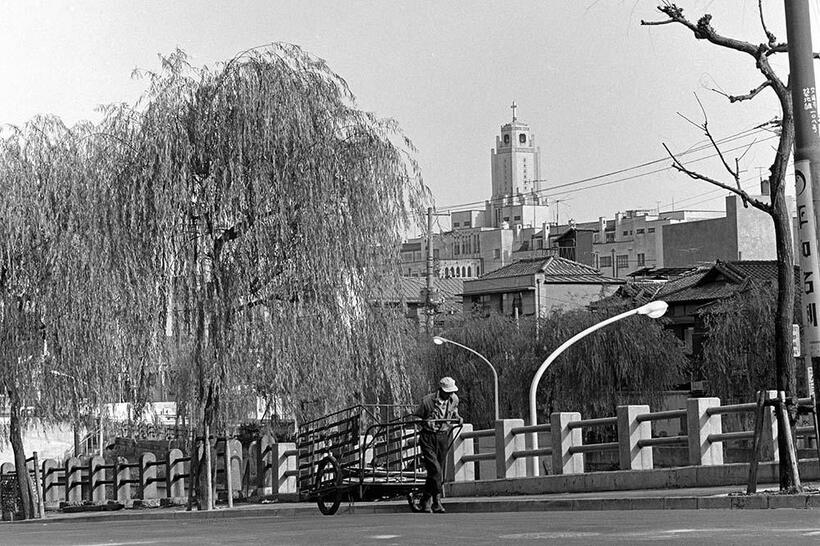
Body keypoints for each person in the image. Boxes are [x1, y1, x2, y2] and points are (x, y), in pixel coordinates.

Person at [413, 376, 463, 513]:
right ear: (441, 390)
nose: (449, 394)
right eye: (447, 392)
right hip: (427, 437)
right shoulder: (427, 401)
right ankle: (437, 501)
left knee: (437, 470)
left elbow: (455, 412)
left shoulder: (454, 399)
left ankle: (425, 500)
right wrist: (425, 421)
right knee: (435, 469)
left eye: (451, 392)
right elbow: (416, 417)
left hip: (442, 437)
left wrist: (457, 418)